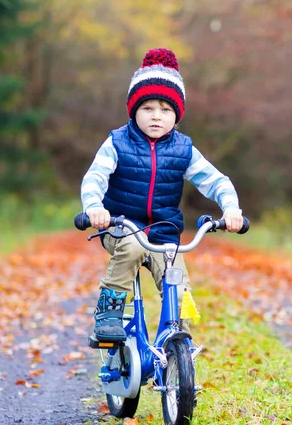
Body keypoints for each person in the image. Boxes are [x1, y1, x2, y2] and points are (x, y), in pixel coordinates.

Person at [81, 48, 243, 345]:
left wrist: (231, 208)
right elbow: (95, 177)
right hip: (121, 225)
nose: (157, 116)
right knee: (129, 248)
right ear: (134, 110)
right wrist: (94, 207)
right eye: (148, 108)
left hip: (163, 233)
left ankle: (179, 344)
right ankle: (109, 312)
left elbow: (216, 181)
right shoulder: (117, 142)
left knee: (178, 284)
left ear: (177, 114)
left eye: (166, 109)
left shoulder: (183, 149)